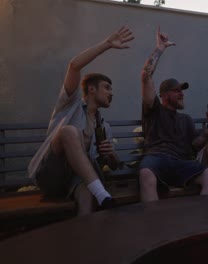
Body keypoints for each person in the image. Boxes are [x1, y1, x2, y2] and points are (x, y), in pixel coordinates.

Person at [28, 26, 134, 215]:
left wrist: (111, 155)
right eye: (107, 88)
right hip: (52, 175)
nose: (112, 93)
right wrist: (107, 44)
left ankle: (86, 236)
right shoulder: (70, 104)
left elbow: (115, 165)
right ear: (92, 90)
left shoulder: (104, 127)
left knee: (87, 193)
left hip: (78, 180)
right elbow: (74, 65)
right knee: (70, 132)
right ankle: (103, 195)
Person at [138, 27, 208, 202]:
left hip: (181, 163)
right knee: (145, 173)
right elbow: (146, 75)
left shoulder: (186, 119)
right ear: (164, 95)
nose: (182, 94)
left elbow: (196, 145)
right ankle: (154, 226)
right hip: (156, 159)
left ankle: (203, 221)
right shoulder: (154, 110)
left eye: (182, 91)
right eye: (177, 91)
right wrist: (160, 48)